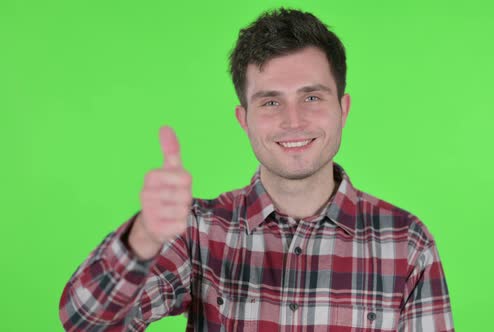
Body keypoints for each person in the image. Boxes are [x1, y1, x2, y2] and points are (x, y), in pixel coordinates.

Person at [59, 8, 454, 331]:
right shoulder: (197, 231)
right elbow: (85, 323)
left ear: (343, 109)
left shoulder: (408, 243)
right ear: (243, 118)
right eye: (270, 102)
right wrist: (143, 236)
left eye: (312, 96)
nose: (293, 120)